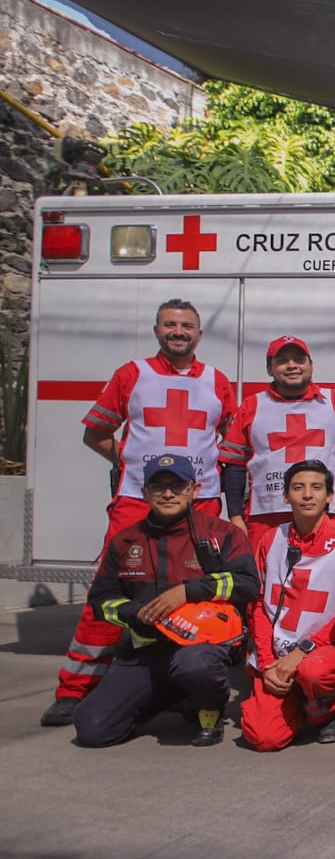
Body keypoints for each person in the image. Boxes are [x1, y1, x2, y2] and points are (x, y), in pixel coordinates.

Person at [42, 298, 237, 728]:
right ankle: (75, 689)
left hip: (200, 504)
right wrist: (128, 462)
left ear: (199, 335)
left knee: (193, 596)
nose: (178, 331)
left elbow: (232, 441)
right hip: (136, 501)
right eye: (169, 324)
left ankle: (179, 687)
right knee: (109, 592)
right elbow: (96, 434)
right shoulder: (132, 374)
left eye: (186, 325)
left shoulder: (218, 381)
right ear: (157, 331)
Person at [72, 454, 259, 749]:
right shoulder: (124, 542)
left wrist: (188, 591)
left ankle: (208, 706)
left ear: (194, 490)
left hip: (199, 648)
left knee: (194, 666)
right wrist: (133, 613)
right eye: (158, 487)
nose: (168, 494)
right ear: (144, 492)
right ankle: (168, 697)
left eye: (177, 486)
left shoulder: (223, 534)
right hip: (145, 653)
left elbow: (247, 584)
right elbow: (100, 601)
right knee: (92, 730)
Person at [241, 460, 335, 752]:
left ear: (328, 496)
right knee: (264, 739)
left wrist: (302, 652)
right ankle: (291, 701)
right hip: (274, 651)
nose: (307, 495)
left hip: (323, 648)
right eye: (298, 488)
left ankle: (323, 712)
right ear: (285, 496)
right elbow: (258, 605)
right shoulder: (271, 539)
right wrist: (267, 660)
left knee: (314, 672)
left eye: (316, 487)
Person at [221, 336, 335, 549]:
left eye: (299, 359)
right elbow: (234, 464)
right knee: (263, 581)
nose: (291, 366)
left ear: (311, 365)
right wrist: (235, 515)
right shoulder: (251, 406)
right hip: (265, 518)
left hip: (324, 516)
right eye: (282, 361)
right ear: (270, 369)